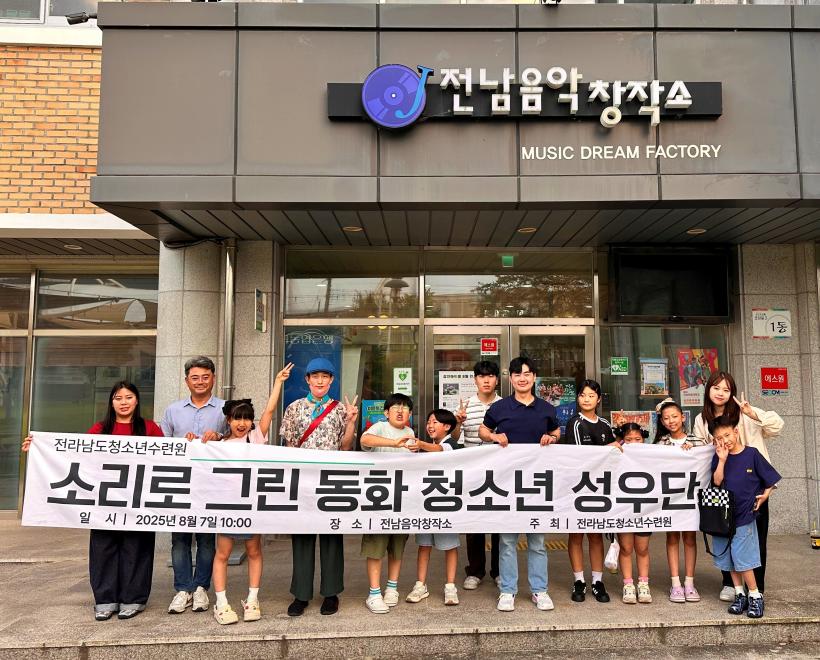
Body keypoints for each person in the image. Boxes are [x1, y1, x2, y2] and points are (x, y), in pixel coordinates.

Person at [23, 381, 164, 621]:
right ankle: (105, 599)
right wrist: (38, 448)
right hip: (103, 502)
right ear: (111, 402)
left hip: (138, 501)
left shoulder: (149, 428)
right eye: (118, 398)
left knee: (136, 548)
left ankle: (133, 598)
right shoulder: (100, 429)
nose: (123, 402)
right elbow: (75, 455)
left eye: (128, 397)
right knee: (104, 549)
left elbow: (167, 460)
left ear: (137, 400)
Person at [692, 371, 783, 601]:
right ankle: (730, 584)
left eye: (726, 389)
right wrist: (689, 446)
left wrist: (753, 413)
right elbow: (700, 450)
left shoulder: (744, 413)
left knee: (756, 538)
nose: (720, 393)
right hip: (722, 489)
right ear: (708, 390)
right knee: (723, 534)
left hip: (752, 488)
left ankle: (756, 587)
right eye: (716, 388)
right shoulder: (702, 419)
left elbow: (777, 426)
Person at [479, 356, 560, 613]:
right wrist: (494, 436)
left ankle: (539, 590)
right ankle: (508, 590)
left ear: (534, 377)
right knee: (507, 541)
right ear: (511, 379)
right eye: (517, 374)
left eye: (527, 373)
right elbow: (483, 431)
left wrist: (552, 437)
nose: (522, 378)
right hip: (507, 484)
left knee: (537, 541)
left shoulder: (546, 408)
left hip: (537, 485)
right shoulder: (500, 408)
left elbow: (557, 431)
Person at [212, 365, 291, 625]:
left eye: (246, 418)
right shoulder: (218, 445)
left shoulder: (256, 437)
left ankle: (253, 599)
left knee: (254, 550)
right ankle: (221, 603)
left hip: (252, 504)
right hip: (227, 505)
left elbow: (269, 410)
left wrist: (278, 382)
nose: (242, 423)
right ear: (228, 420)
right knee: (222, 553)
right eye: (237, 418)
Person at [279, 357, 358, 617]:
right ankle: (301, 594)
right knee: (302, 535)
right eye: (315, 376)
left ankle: (331, 593)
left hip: (332, 480)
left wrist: (351, 421)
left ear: (332, 380)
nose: (320, 381)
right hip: (303, 480)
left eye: (325, 376)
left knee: (331, 534)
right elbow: (289, 446)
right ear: (307, 380)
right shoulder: (294, 408)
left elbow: (346, 447)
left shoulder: (340, 409)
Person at [161, 356, 228, 615]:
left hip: (211, 484)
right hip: (180, 483)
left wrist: (219, 436)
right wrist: (181, 444)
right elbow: (162, 446)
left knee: (207, 539)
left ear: (214, 378)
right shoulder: (172, 410)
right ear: (186, 380)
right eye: (195, 377)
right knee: (179, 539)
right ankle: (182, 589)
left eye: (205, 377)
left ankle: (201, 588)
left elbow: (237, 438)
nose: (200, 382)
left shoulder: (224, 408)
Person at [710, 415, 780, 619]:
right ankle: (739, 594)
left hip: (745, 516)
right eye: (719, 438)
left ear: (736, 432)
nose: (725, 440)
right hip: (724, 517)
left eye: (727, 435)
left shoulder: (752, 454)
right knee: (730, 558)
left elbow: (770, 479)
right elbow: (716, 482)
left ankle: (755, 595)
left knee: (744, 559)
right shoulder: (718, 456)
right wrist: (722, 460)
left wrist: (765, 495)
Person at [562, 379, 620, 604]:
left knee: (596, 534)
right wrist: (608, 448)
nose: (586, 399)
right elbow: (581, 457)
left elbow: (615, 454)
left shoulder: (604, 424)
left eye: (591, 395)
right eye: (582, 395)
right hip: (579, 487)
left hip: (601, 488)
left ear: (598, 399)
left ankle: (597, 581)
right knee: (576, 534)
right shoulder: (575, 423)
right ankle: (579, 580)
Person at [359, 393, 416, 613]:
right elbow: (365, 440)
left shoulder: (410, 432)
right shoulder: (380, 427)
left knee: (397, 546)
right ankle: (374, 593)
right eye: (395, 407)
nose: (400, 411)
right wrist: (393, 443)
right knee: (376, 546)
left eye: (405, 408)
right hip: (379, 498)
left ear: (410, 413)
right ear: (386, 412)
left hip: (402, 497)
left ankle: (392, 588)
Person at [453, 360, 502, 591]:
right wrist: (457, 423)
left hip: (500, 471)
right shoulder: (466, 405)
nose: (486, 380)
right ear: (475, 380)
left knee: (500, 523)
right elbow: (454, 438)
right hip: (473, 470)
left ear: (497, 380)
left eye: (490, 376)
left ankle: (499, 571)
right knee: (474, 522)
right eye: (482, 376)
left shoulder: (505, 405)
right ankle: (475, 571)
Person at [406, 408, 463, 606]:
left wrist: (420, 444)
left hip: (445, 505)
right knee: (424, 545)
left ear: (447, 427)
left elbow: (441, 450)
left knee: (450, 546)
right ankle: (420, 585)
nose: (430, 425)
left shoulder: (450, 444)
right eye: (429, 422)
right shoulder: (428, 446)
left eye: (435, 422)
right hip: (426, 504)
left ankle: (450, 586)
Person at [653, 398, 707, 603]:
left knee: (690, 539)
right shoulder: (660, 444)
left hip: (691, 498)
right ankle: (675, 584)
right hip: (670, 497)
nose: (671, 421)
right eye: (666, 418)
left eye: (674, 416)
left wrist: (694, 452)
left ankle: (689, 583)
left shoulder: (698, 442)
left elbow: (707, 462)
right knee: (672, 538)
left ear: (683, 417)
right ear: (662, 422)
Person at [613, 423, 653, 604]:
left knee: (642, 548)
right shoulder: (615, 454)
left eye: (638, 439)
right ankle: (628, 584)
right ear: (621, 440)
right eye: (628, 440)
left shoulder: (653, 455)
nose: (634, 443)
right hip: (623, 508)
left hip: (645, 509)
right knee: (626, 548)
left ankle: (643, 584)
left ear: (644, 439)